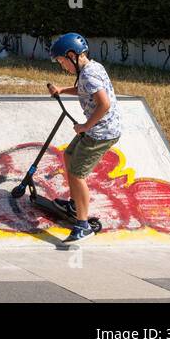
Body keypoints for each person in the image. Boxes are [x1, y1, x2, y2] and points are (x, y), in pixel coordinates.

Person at [46, 32, 122, 246]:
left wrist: (86, 126)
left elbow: (104, 104)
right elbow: (84, 90)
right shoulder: (92, 67)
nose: (63, 66)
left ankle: (83, 225)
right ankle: (74, 203)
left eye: (62, 62)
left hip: (100, 133)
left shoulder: (88, 75)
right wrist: (62, 89)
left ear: (72, 55)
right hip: (97, 129)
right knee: (69, 155)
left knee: (77, 174)